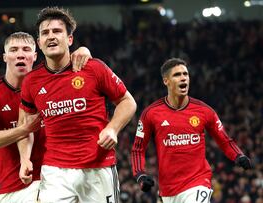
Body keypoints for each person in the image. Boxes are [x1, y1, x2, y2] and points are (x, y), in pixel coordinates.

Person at [18, 7, 137, 203]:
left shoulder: (93, 68)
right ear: (39, 43)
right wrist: (25, 159)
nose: (51, 37)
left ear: (70, 39)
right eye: (45, 33)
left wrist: (112, 129)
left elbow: (127, 102)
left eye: (57, 31)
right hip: (55, 172)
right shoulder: (31, 82)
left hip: (98, 167)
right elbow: (26, 126)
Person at [0, 31, 91, 202]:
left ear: (35, 55)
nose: (20, 54)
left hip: (56, 178)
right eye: (13, 50)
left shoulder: (49, 82)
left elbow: (70, 62)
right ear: (5, 57)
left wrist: (84, 50)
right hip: (14, 185)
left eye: (26, 49)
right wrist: (24, 129)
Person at [131, 58, 252, 203]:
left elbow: (224, 140)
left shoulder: (204, 111)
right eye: (177, 75)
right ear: (166, 81)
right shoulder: (150, 113)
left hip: (198, 182)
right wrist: (140, 175)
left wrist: (238, 155)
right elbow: (138, 149)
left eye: (185, 74)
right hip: (168, 190)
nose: (183, 78)